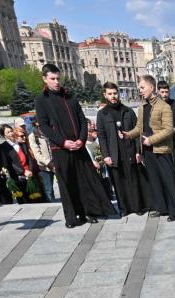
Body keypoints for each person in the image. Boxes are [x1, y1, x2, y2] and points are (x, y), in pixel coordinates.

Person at [35, 63, 114, 228]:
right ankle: (72, 217)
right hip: (61, 149)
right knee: (67, 183)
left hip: (78, 146)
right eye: (52, 79)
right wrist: (63, 142)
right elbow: (44, 126)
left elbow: (82, 120)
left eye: (58, 78)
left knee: (85, 180)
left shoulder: (69, 96)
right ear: (45, 79)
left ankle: (90, 212)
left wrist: (81, 139)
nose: (56, 82)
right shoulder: (42, 99)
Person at [126, 74, 175, 221]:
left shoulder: (165, 107)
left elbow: (169, 130)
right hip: (148, 151)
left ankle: (174, 211)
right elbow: (139, 127)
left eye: (142, 87)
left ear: (151, 87)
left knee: (168, 181)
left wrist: (151, 140)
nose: (140, 90)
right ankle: (161, 208)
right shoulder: (142, 106)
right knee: (155, 181)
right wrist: (128, 135)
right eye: (139, 88)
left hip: (162, 150)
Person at [97, 82, 146, 216]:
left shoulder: (128, 111)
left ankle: (138, 207)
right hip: (114, 154)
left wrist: (138, 151)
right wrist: (106, 155)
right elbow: (101, 136)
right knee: (118, 183)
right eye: (110, 94)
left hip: (129, 151)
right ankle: (124, 209)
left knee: (134, 181)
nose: (113, 96)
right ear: (105, 95)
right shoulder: (102, 114)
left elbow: (137, 132)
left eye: (115, 93)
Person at [0, 124, 38, 204]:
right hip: (17, 176)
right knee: (23, 200)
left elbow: (29, 157)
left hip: (29, 173)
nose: (11, 133)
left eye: (11, 131)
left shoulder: (20, 143)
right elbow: (9, 163)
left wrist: (30, 170)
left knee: (35, 198)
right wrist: (23, 171)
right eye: (8, 132)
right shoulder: (3, 147)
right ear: (4, 135)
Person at [28, 124, 56, 203]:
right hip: (44, 166)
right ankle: (52, 204)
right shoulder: (33, 136)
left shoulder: (51, 132)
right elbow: (37, 154)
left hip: (57, 163)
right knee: (48, 189)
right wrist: (49, 163)